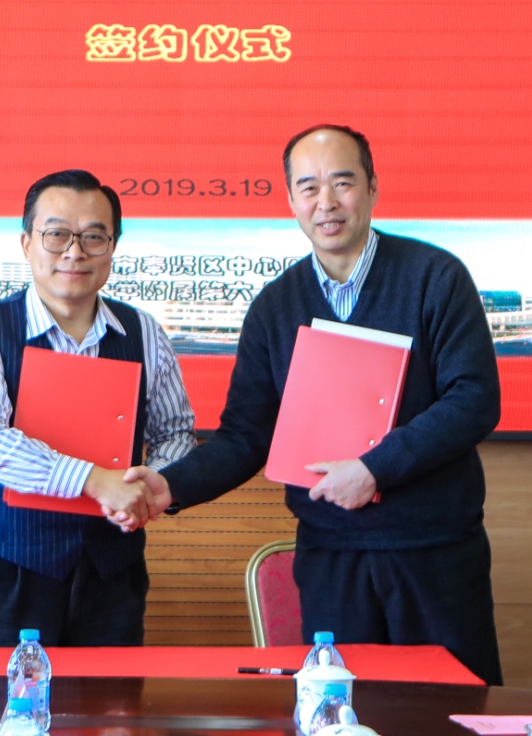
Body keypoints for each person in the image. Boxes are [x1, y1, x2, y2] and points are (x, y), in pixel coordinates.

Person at [118, 125, 503, 684]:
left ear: (372, 188)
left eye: (342, 183)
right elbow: (246, 435)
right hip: (329, 557)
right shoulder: (275, 306)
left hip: (435, 551)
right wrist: (170, 485)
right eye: (309, 187)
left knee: (451, 708)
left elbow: (473, 398)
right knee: (337, 710)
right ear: (291, 200)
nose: (326, 202)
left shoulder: (435, 278)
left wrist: (374, 468)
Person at [0, 168, 195, 647]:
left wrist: (145, 489)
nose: (74, 252)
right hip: (10, 571)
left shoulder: (144, 331)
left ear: (113, 247)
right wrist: (95, 481)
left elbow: (176, 432)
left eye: (93, 237)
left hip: (112, 572)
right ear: (27, 244)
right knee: (2, 697)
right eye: (56, 235)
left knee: (112, 697)